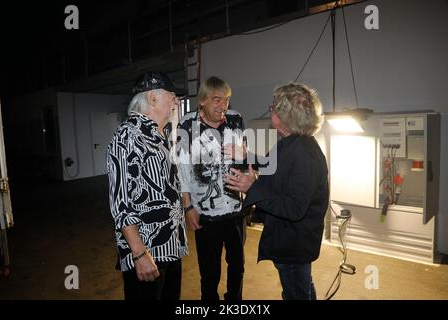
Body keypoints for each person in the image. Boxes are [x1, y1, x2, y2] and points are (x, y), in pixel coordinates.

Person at [224, 82, 329, 300]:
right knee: (302, 286)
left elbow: (294, 208)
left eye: (273, 106)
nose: (270, 108)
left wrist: (253, 187)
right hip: (292, 237)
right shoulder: (293, 142)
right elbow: (273, 163)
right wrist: (246, 156)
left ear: (284, 115)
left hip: (294, 243)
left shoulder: (303, 153)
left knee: (295, 292)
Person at [107, 71, 188, 300]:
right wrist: (140, 255)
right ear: (152, 98)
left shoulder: (160, 136)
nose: (176, 101)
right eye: (172, 96)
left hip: (170, 248)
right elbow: (120, 204)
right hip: (147, 254)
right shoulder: (127, 135)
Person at [176, 76, 247, 300]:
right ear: (203, 101)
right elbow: (182, 169)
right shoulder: (187, 124)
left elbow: (244, 156)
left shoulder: (235, 119)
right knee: (210, 272)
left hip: (236, 209)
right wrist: (188, 208)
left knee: (237, 266)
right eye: (217, 100)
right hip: (205, 213)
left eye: (226, 100)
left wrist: (246, 163)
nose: (223, 105)